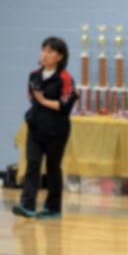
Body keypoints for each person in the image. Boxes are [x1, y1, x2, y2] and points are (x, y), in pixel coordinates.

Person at [12, 37, 77, 219]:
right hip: (35, 128)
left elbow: (65, 105)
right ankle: (27, 205)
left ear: (59, 56)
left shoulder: (65, 78)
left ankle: (53, 208)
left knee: (52, 167)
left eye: (50, 51)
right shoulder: (34, 75)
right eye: (43, 50)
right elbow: (31, 98)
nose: (45, 55)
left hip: (57, 130)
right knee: (32, 165)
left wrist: (43, 101)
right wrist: (39, 102)